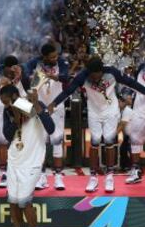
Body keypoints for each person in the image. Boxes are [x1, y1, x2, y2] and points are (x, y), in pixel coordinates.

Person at [49, 56, 145, 192]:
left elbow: (132, 83)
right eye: (92, 77)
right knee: (94, 143)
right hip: (93, 112)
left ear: (102, 71)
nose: (94, 79)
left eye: (97, 76)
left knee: (109, 142)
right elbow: (68, 91)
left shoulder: (112, 72)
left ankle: (109, 176)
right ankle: (93, 178)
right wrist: (54, 103)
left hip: (111, 111)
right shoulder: (82, 76)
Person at [1, 85, 55, 227]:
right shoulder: (8, 112)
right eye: (3, 103)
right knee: (14, 202)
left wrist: (37, 105)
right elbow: (8, 135)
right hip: (14, 160)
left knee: (25, 201)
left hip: (32, 161)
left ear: (16, 96)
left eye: (8, 102)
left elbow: (51, 128)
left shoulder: (34, 106)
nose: (6, 106)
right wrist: (15, 116)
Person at [24, 43, 69, 190]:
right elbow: (25, 71)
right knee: (40, 142)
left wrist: (53, 76)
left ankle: (58, 177)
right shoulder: (35, 62)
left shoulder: (61, 62)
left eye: (56, 55)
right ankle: (41, 176)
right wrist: (33, 77)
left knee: (57, 140)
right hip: (40, 106)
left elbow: (65, 77)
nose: (55, 58)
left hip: (56, 105)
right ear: (44, 57)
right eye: (52, 57)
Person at [0, 55, 30, 188]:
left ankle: (20, 172)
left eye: (14, 69)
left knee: (19, 142)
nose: (11, 71)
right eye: (9, 69)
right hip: (0, 112)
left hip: (17, 112)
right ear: (4, 68)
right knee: (2, 142)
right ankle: (4, 173)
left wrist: (19, 78)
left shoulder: (22, 77)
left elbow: (27, 98)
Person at [124, 62, 145, 184]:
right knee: (135, 140)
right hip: (140, 110)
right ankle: (136, 171)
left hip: (140, 110)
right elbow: (134, 84)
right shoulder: (142, 66)